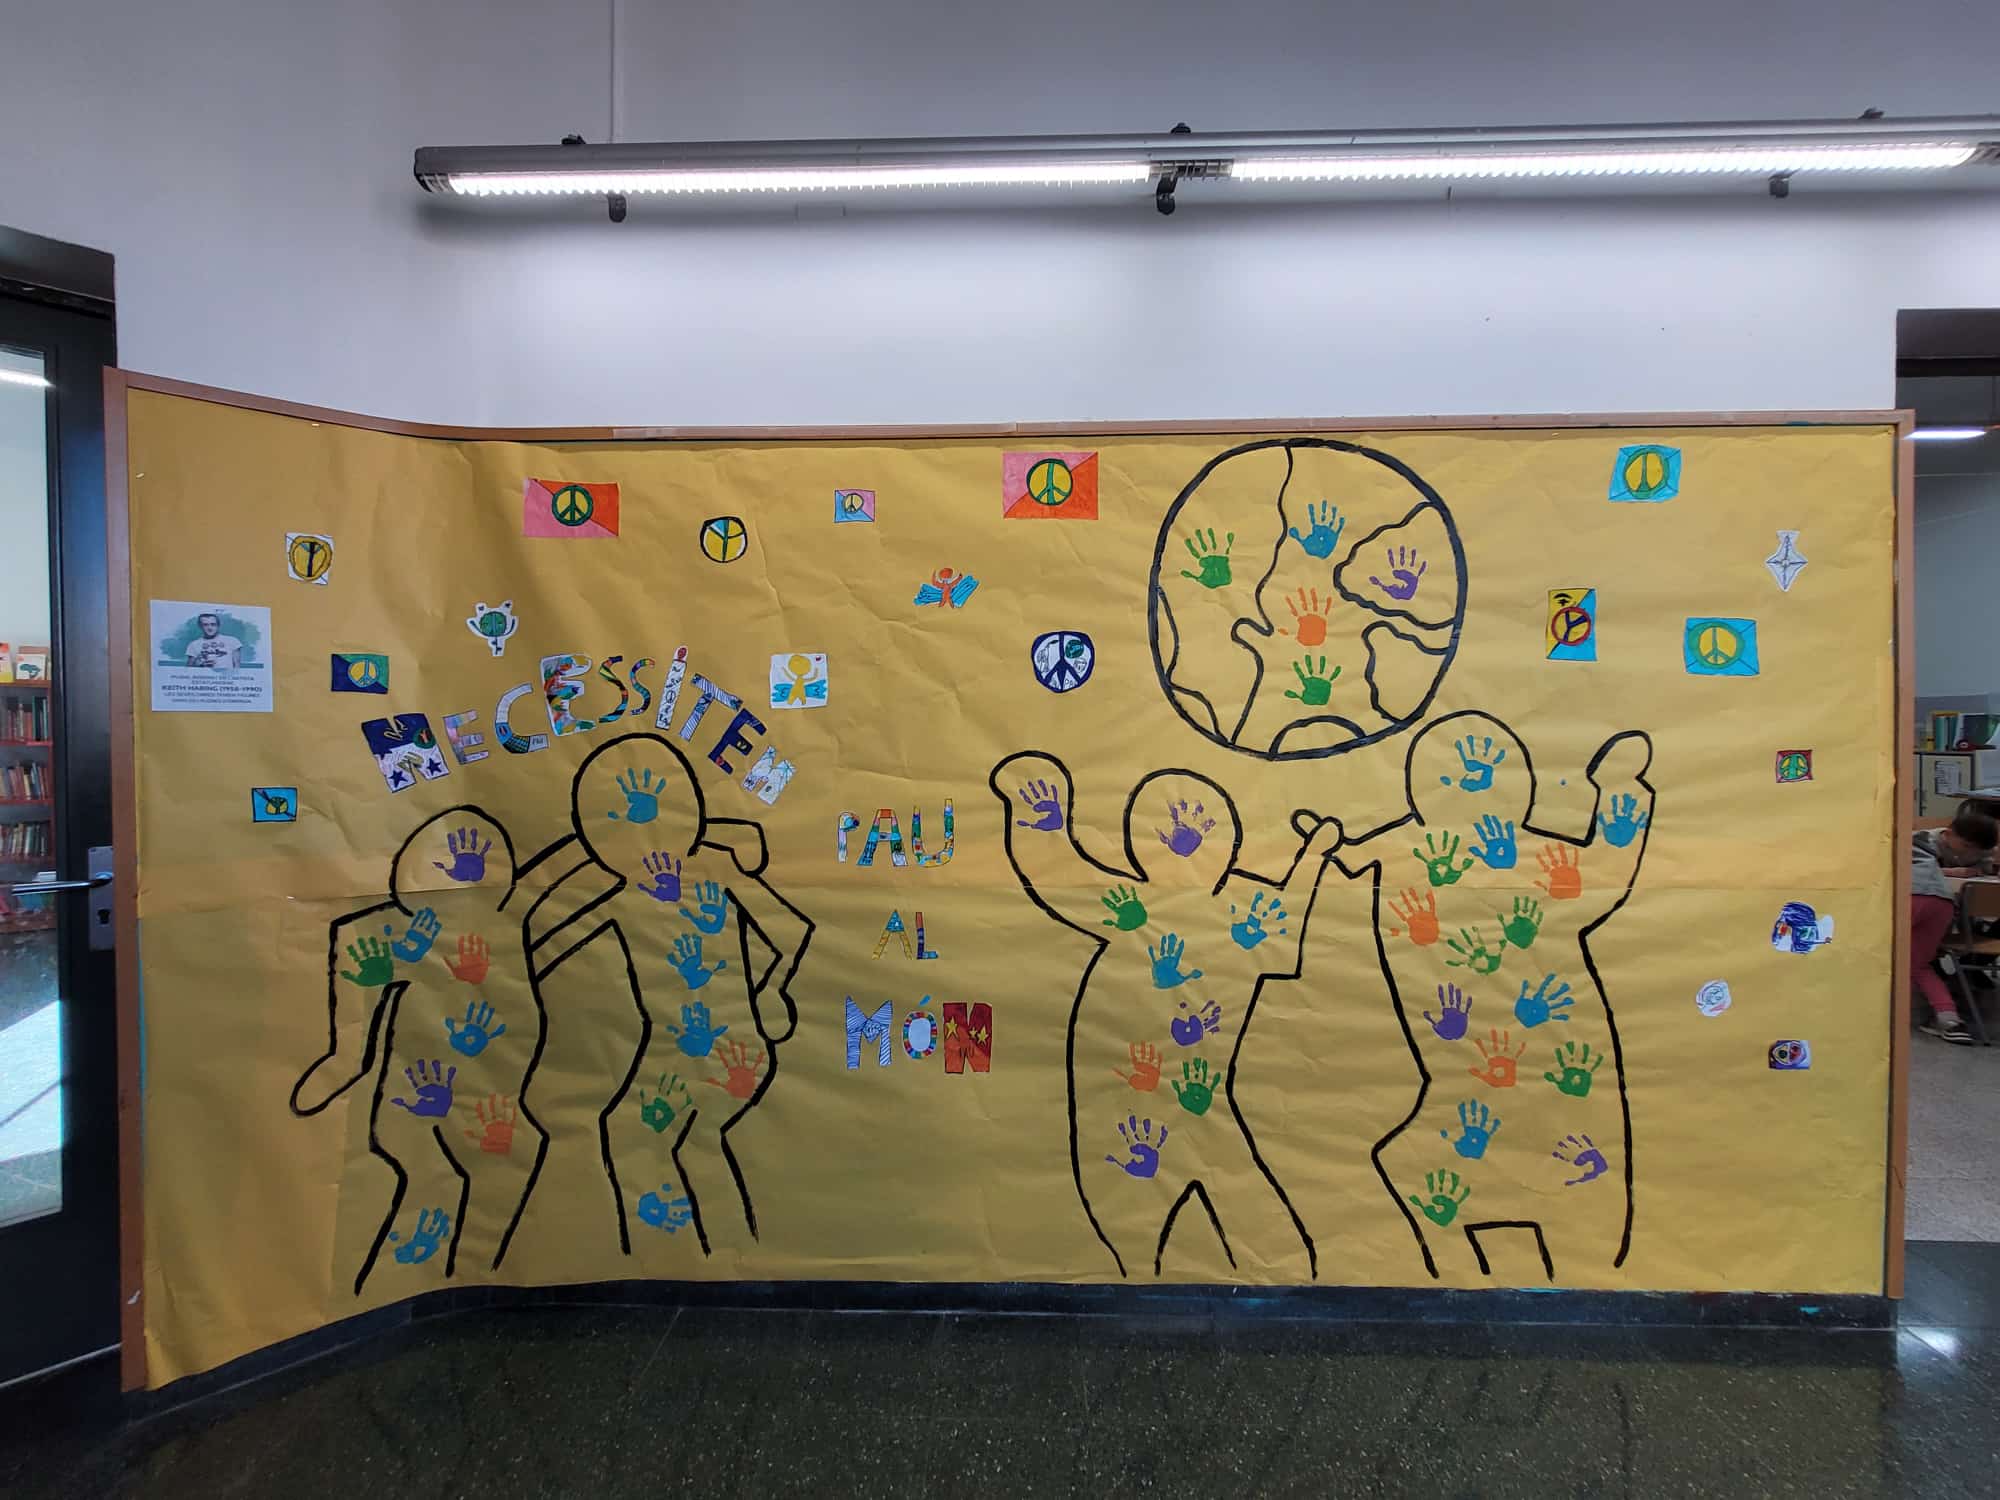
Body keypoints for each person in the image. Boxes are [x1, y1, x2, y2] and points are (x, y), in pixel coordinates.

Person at [1913, 805, 2000, 1044]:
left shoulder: (1982, 849)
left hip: (1925, 900)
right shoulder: (1925, 840)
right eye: (1967, 846)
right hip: (1942, 902)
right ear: (1949, 833)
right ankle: (1949, 1019)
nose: (1971, 853)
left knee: (1913, 960)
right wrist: (1953, 871)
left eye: (1977, 850)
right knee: (1918, 962)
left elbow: (1984, 866)